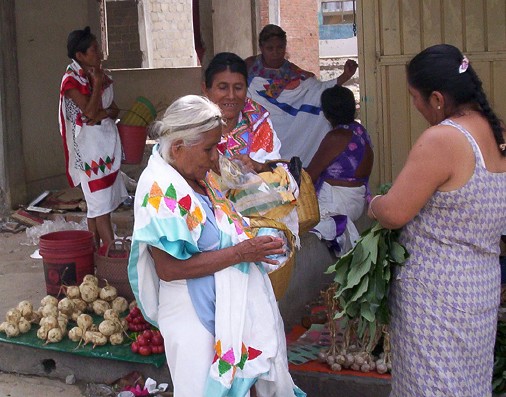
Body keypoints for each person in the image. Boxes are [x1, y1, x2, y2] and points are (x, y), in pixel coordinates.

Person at [128, 95, 305, 397]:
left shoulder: (196, 176)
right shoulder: (160, 190)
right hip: (192, 316)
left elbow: (218, 227)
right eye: (208, 149)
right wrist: (241, 252)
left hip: (220, 310)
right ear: (178, 147)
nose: (215, 157)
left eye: (217, 147)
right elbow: (169, 269)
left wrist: (250, 237)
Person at [367, 44, 506, 396]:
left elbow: (396, 212)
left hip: (438, 295)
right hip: (480, 285)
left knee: (432, 387)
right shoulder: (497, 131)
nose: (415, 106)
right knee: (469, 385)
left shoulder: (444, 138)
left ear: (438, 99)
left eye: (415, 97)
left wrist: (375, 203)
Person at [202, 52, 301, 238]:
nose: (231, 96)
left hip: (253, 215)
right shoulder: (193, 124)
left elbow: (279, 173)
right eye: (222, 88)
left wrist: (257, 167)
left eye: (238, 88)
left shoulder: (257, 122)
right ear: (206, 90)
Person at [245, 24, 358, 166]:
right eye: (270, 48)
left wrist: (344, 76)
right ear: (261, 48)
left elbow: (317, 91)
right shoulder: (248, 66)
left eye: (280, 48)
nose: (275, 53)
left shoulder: (294, 72)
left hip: (291, 128)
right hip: (260, 124)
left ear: (285, 47)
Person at [58, 26, 127, 248]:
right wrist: (96, 85)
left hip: (104, 144)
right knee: (100, 206)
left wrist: (102, 113)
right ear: (80, 56)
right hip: (88, 151)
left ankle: (96, 252)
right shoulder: (71, 81)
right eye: (95, 50)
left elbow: (113, 110)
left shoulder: (101, 75)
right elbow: (88, 114)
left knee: (97, 204)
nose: (100, 54)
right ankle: (111, 254)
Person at [306, 85, 373, 254]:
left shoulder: (336, 137)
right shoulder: (359, 131)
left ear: (327, 113)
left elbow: (310, 176)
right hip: (357, 202)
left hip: (338, 204)